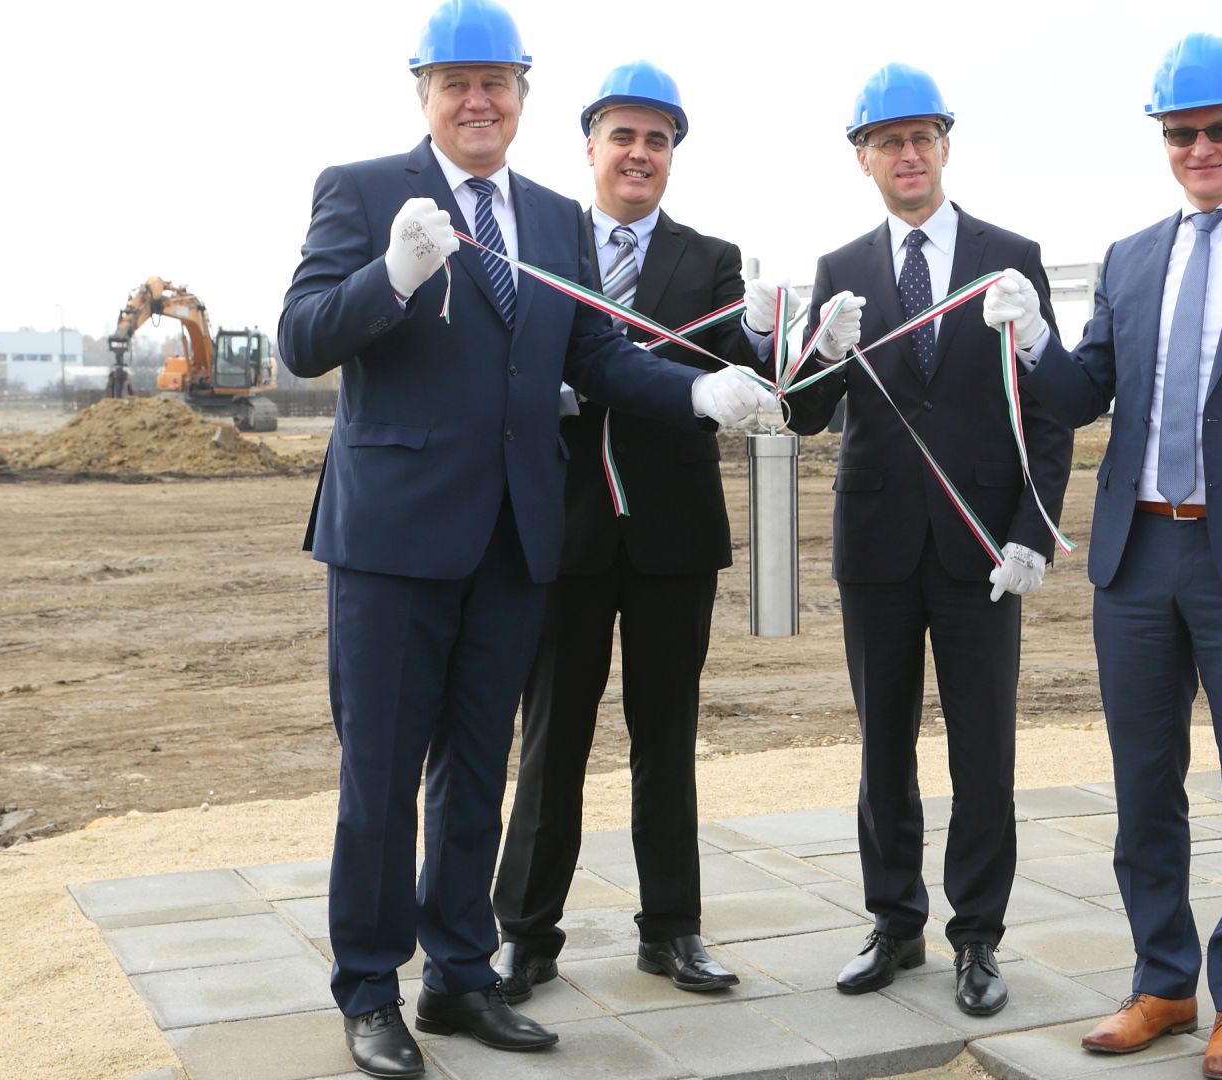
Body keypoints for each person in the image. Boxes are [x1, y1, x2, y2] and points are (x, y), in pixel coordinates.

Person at [277, 5, 773, 1077]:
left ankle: (458, 977)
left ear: (523, 96)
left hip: (513, 541)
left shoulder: (553, 220)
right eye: (456, 80)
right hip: (393, 541)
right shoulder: (361, 190)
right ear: (424, 92)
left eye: (496, 80)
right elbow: (303, 338)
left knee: (474, 769)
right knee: (380, 776)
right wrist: (392, 275)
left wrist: (699, 393)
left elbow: (597, 356)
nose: (477, 99)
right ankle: (369, 989)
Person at [984, 32, 1222, 1079]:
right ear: (1162, 139)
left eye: (1216, 128)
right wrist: (1031, 347)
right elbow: (1084, 394)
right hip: (1139, 560)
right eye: (1179, 133)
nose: (1198, 148)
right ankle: (1163, 979)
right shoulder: (1132, 257)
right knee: (1142, 787)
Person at [771, 63, 1073, 1018]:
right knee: (883, 751)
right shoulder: (843, 270)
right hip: (879, 546)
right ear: (862, 158)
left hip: (985, 548)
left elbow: (1053, 409)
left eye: (922, 139)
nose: (907, 155)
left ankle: (976, 937)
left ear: (945, 146)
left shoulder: (1009, 254)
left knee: (983, 753)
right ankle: (893, 923)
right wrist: (817, 353)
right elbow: (807, 418)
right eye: (887, 142)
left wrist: (1034, 532)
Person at [492, 60, 762, 1001]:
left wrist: (768, 340)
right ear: (592, 147)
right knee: (552, 738)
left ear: (672, 155)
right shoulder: (541, 244)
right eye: (623, 136)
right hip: (562, 533)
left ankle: (673, 930)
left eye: (657, 139)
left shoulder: (712, 261)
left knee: (667, 737)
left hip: (672, 535)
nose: (639, 154)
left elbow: (743, 381)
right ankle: (525, 935)